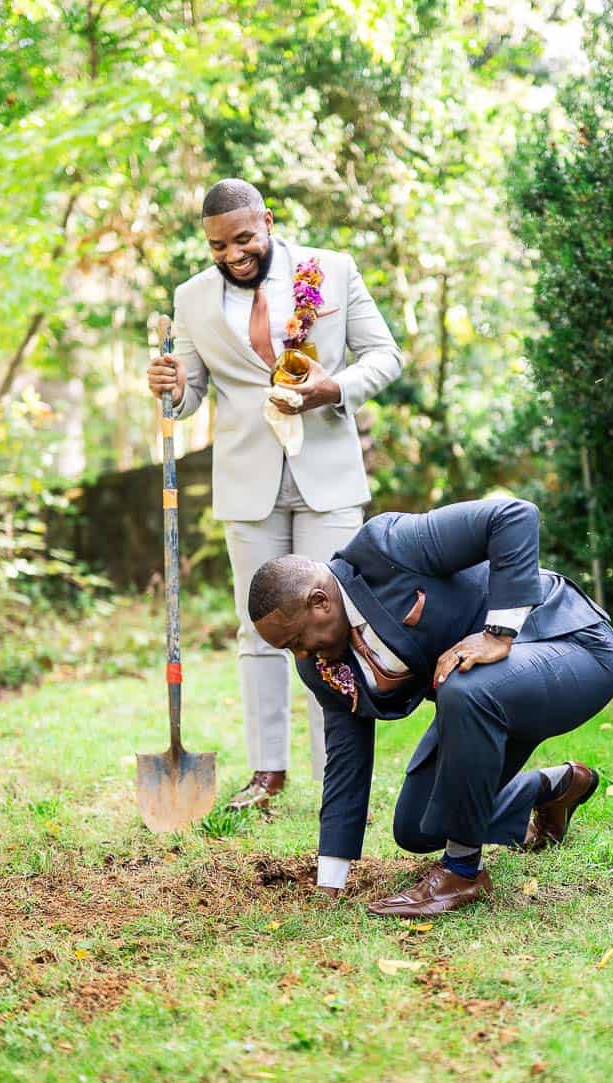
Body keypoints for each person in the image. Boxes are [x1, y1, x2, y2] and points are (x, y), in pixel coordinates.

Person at [146, 179, 402, 809]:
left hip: (328, 479)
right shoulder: (192, 298)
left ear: (266, 220)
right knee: (257, 628)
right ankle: (266, 773)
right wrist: (169, 388)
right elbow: (192, 395)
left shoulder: (332, 272)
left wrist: (332, 388)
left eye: (243, 239)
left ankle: (334, 771)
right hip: (247, 483)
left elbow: (385, 355)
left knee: (333, 626)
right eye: (216, 245)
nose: (232, 255)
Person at [248, 497, 613, 916]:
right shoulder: (323, 667)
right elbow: (346, 763)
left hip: (570, 645)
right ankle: (552, 789)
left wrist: (498, 633)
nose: (300, 655)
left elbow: (513, 517)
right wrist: (329, 883)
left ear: (320, 602)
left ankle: (463, 873)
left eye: (297, 640)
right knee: (418, 828)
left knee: (463, 686)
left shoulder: (386, 548)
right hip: (487, 701)